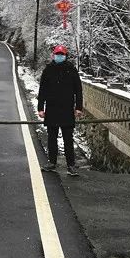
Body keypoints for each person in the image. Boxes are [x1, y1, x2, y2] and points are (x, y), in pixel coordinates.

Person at [37, 45, 83, 176]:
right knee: (51, 137)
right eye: (57, 54)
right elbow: (42, 90)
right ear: (53, 55)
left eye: (61, 54)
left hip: (67, 109)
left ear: (65, 56)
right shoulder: (48, 70)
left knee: (68, 138)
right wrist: (40, 108)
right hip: (51, 108)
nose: (59, 56)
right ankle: (52, 162)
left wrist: (78, 107)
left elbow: (78, 90)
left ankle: (71, 165)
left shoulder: (71, 69)